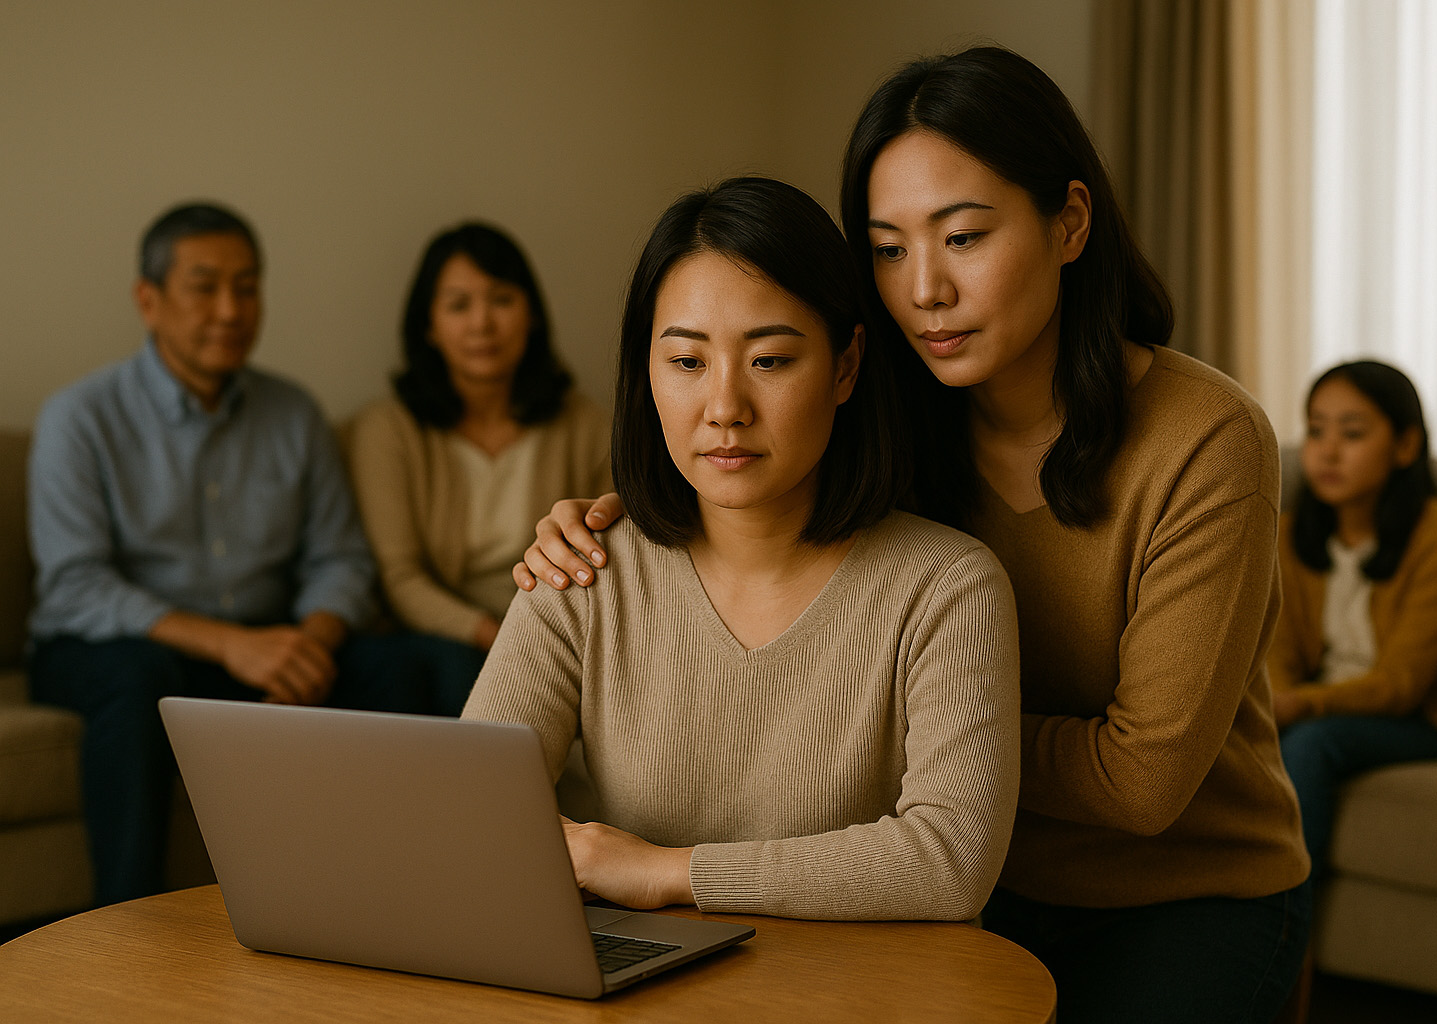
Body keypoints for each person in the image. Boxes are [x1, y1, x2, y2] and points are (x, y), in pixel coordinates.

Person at [514, 48, 1310, 1021]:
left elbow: (1141, 782)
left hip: (1175, 890)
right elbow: (732, 449)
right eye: (888, 249)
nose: (923, 287)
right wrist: (608, 516)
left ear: (1069, 221)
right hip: (958, 885)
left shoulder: (1205, 440)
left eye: (963, 237)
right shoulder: (891, 409)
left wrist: (943, 757)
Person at [462, 176, 1021, 921]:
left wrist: (668, 872)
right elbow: (466, 817)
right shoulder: (582, 569)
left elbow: (949, 861)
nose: (725, 408)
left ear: (846, 366)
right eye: (687, 362)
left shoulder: (947, 586)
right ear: (647, 374)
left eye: (770, 360)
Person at [28, 202, 434, 906]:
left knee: (412, 665)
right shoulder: (80, 417)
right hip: (119, 649)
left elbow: (340, 560)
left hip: (266, 647)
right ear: (148, 301)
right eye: (205, 286)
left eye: (247, 287)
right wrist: (232, 646)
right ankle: (123, 931)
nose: (230, 309)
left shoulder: (295, 414)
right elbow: (76, 583)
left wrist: (306, 646)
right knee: (136, 680)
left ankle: (409, 901)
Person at [348, 223, 609, 713]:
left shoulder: (585, 424)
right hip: (450, 640)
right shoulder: (388, 429)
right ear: (428, 325)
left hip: (554, 626)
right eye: (459, 305)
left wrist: (536, 636)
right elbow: (401, 578)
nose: (482, 324)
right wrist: (492, 634)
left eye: (501, 299)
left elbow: (607, 555)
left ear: (530, 314)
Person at [1270, 360, 1437, 875]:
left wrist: (1300, 707)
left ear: (1405, 446)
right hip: (1317, 704)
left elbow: (1403, 684)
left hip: (1426, 718)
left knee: (1313, 743)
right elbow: (1277, 652)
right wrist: (1274, 706)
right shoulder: (1286, 534)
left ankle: (1288, 927)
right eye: (1315, 430)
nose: (1328, 451)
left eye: (1352, 433)